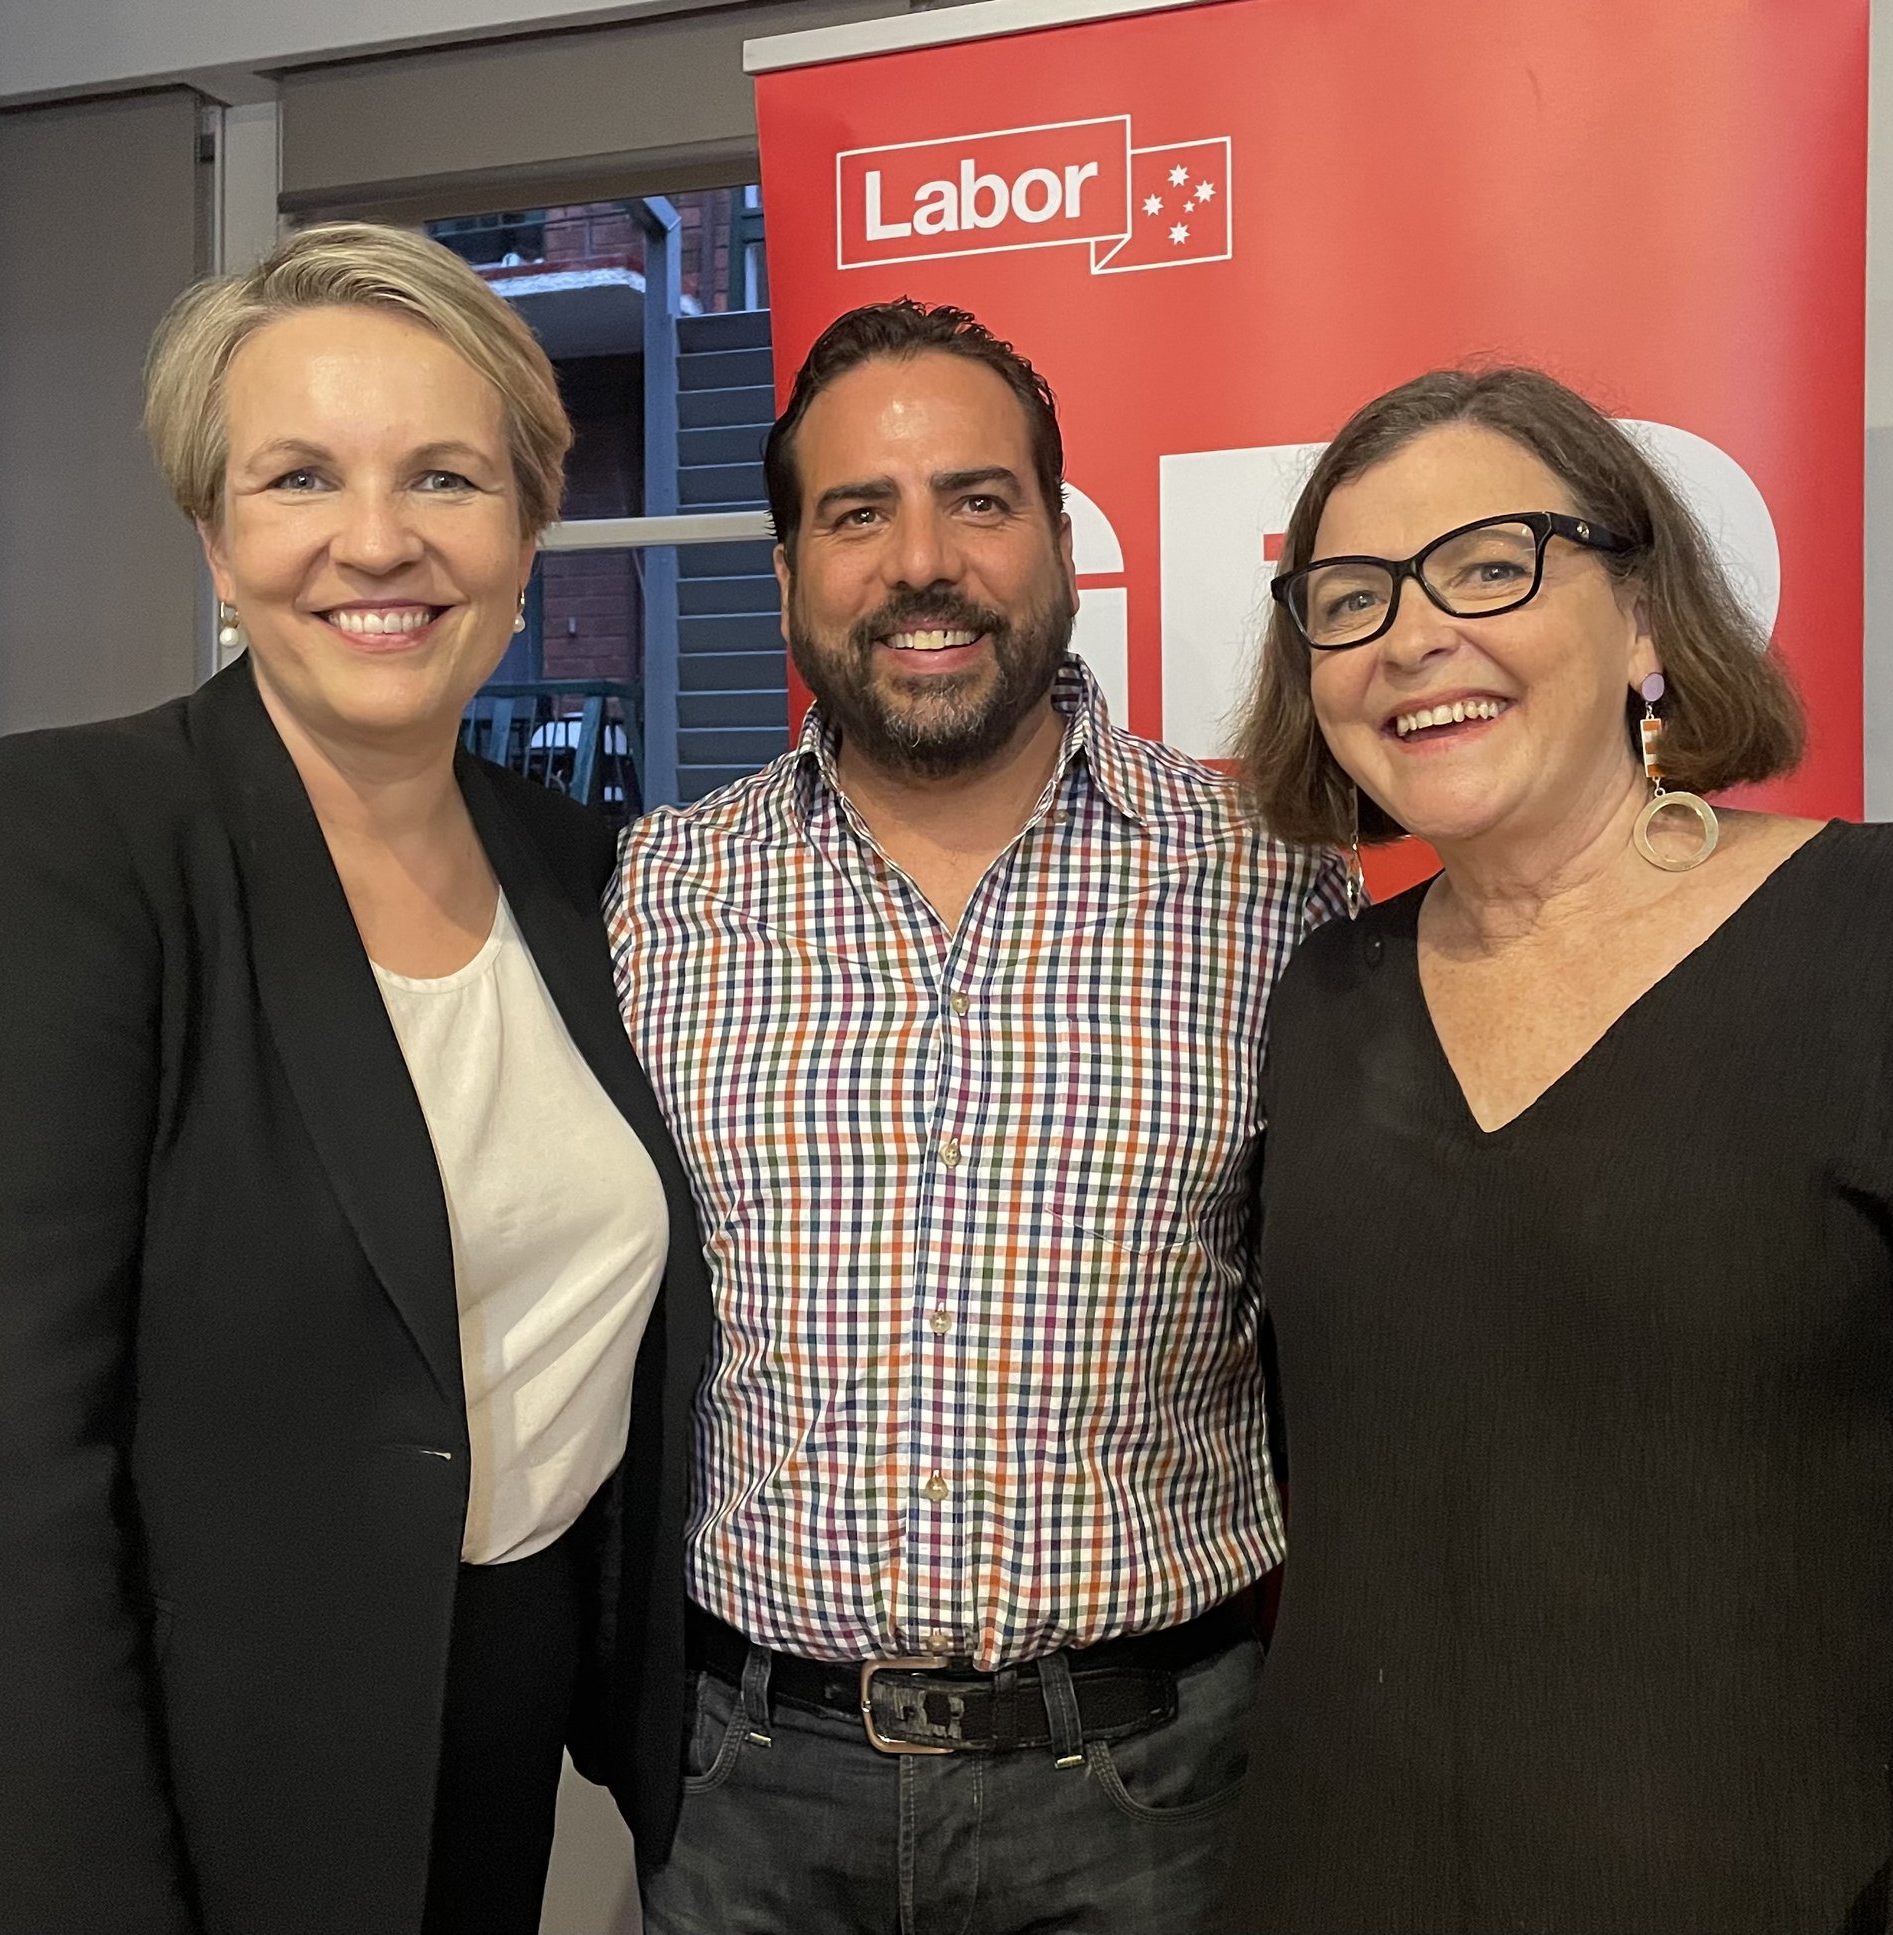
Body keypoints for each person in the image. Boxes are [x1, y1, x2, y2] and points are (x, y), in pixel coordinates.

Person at [0, 223, 712, 1935]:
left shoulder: (595, 877)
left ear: (525, 525)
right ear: (214, 533)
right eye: (298, 477)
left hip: (469, 1794)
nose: (378, 540)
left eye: (445, 476)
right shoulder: (82, 839)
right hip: (118, 1809)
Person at [1221, 365, 1893, 1933]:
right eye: (1350, 597)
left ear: (1645, 623)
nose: (1414, 635)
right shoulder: (1325, 999)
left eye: (1490, 565)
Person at [606, 299, 1354, 1934]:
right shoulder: (656, 898)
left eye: (979, 499)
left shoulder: (1271, 880)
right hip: (748, 1789)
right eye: (857, 513)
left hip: (1151, 1792)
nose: (920, 561)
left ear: (1060, 539)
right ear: (793, 569)